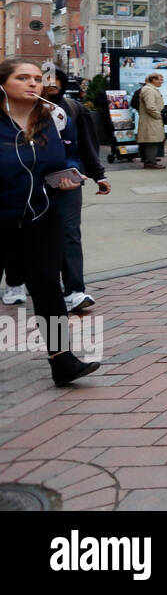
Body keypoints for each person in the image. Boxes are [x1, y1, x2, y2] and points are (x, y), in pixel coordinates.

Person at [0, 60, 102, 385]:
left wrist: (67, 174)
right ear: (3, 83)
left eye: (36, 78)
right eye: (22, 78)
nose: (33, 83)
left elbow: (66, 156)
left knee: (48, 289)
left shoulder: (50, 119)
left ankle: (63, 361)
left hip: (40, 217)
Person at [44, 70, 111, 313]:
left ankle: (75, 290)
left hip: (68, 180)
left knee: (70, 232)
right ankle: (17, 282)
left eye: (55, 80)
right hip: (30, 182)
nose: (51, 84)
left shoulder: (74, 108)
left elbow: (88, 144)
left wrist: (98, 174)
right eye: (46, 80)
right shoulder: (24, 110)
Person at [136, 73, 166, 169]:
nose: (162, 81)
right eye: (160, 79)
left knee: (153, 141)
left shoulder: (150, 89)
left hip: (152, 120)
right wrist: (159, 116)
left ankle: (151, 161)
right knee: (151, 141)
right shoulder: (148, 90)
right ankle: (150, 162)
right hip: (151, 121)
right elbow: (150, 107)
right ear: (154, 80)